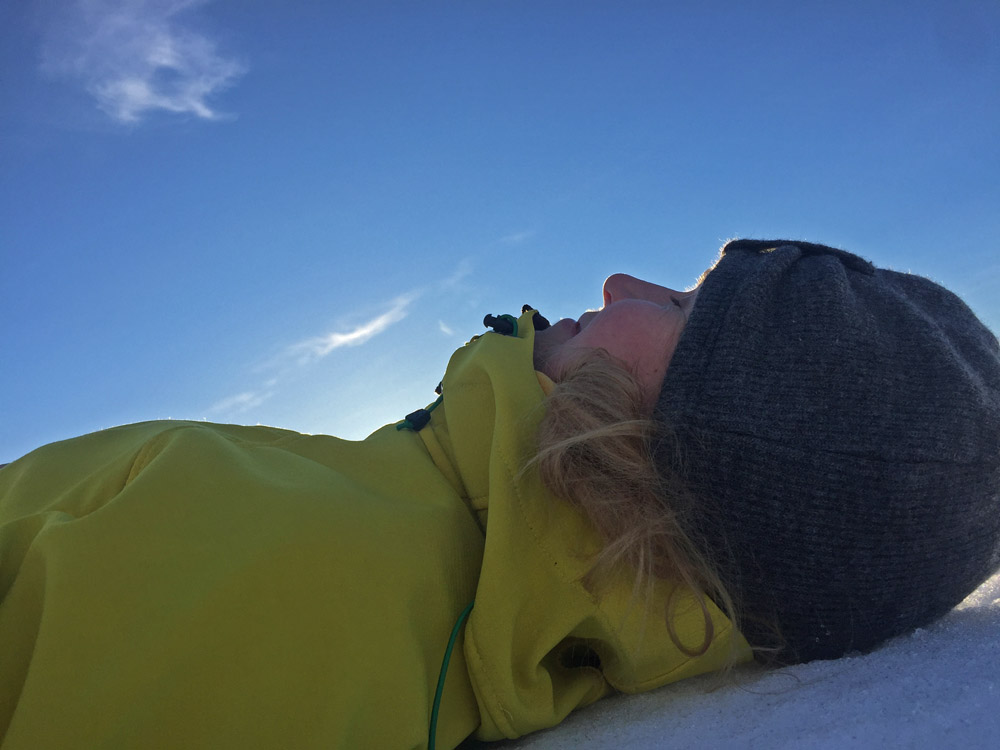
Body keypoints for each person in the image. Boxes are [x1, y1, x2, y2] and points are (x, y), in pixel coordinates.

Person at [1, 239, 998, 749]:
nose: (621, 282)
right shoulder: (446, 566)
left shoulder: (311, 575)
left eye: (687, 307)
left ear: (726, 437)